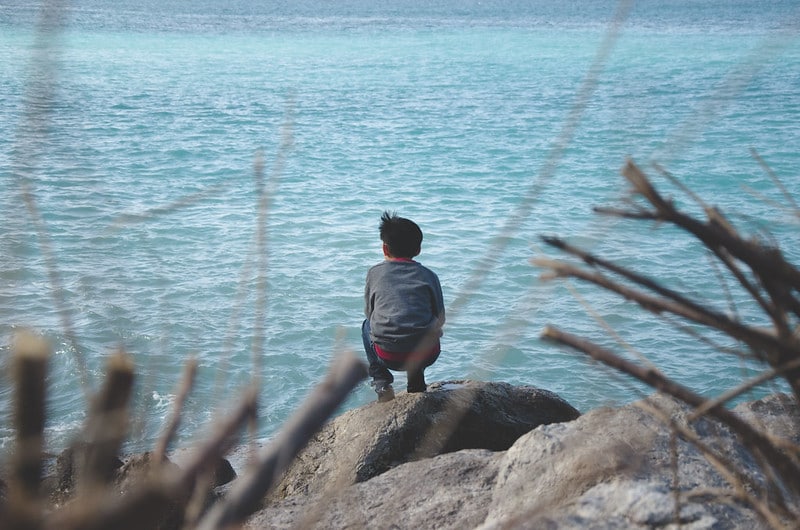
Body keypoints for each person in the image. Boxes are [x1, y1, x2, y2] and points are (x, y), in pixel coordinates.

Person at [362, 211, 445, 402]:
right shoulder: (429, 276)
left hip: (388, 356)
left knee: (367, 325)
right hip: (427, 355)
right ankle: (416, 381)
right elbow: (440, 317)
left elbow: (370, 312)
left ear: (385, 248)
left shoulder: (374, 273)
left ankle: (382, 383)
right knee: (424, 326)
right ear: (418, 249)